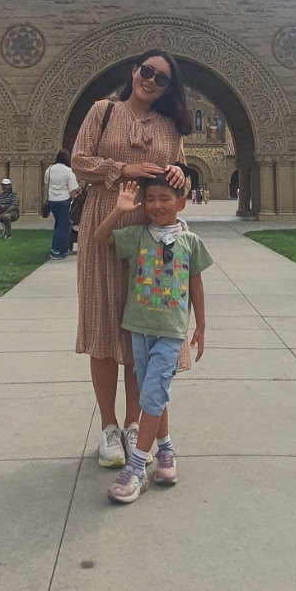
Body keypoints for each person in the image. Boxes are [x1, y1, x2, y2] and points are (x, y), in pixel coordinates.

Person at [72, 48, 190, 469]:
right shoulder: (102, 111)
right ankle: (108, 427)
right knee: (104, 326)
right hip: (105, 226)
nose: (151, 81)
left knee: (143, 331)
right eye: (147, 71)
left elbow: (179, 181)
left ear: (168, 88)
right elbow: (79, 162)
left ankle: (133, 424)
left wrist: (180, 174)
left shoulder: (169, 127)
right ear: (134, 71)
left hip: (151, 237)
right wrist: (124, 169)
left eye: (162, 79)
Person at [93, 172, 212, 502]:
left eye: (165, 199)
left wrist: (200, 326)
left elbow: (196, 284)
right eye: (150, 200)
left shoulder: (190, 242)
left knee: (153, 395)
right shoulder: (138, 236)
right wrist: (119, 210)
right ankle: (166, 450)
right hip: (140, 328)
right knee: (153, 395)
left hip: (171, 331)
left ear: (180, 203)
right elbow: (100, 237)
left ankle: (135, 470)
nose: (157, 205)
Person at [43, 147, 79, 258]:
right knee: (64, 226)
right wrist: (75, 202)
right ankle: (60, 252)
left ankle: (54, 248)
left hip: (52, 201)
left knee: (58, 225)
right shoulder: (69, 171)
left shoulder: (49, 170)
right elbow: (72, 191)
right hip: (64, 200)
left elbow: (46, 184)